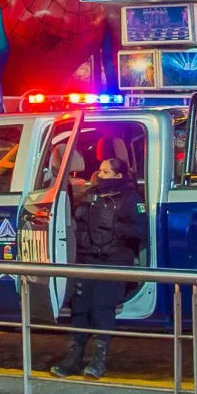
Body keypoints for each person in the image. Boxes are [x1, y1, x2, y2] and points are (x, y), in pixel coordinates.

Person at [51, 157, 145, 380]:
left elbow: (142, 232)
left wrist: (114, 228)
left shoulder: (131, 199)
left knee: (102, 306)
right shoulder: (90, 196)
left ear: (119, 176)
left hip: (114, 260)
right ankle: (74, 356)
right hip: (87, 259)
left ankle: (98, 359)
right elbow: (76, 223)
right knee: (80, 306)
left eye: (105, 172)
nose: (99, 175)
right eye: (99, 171)